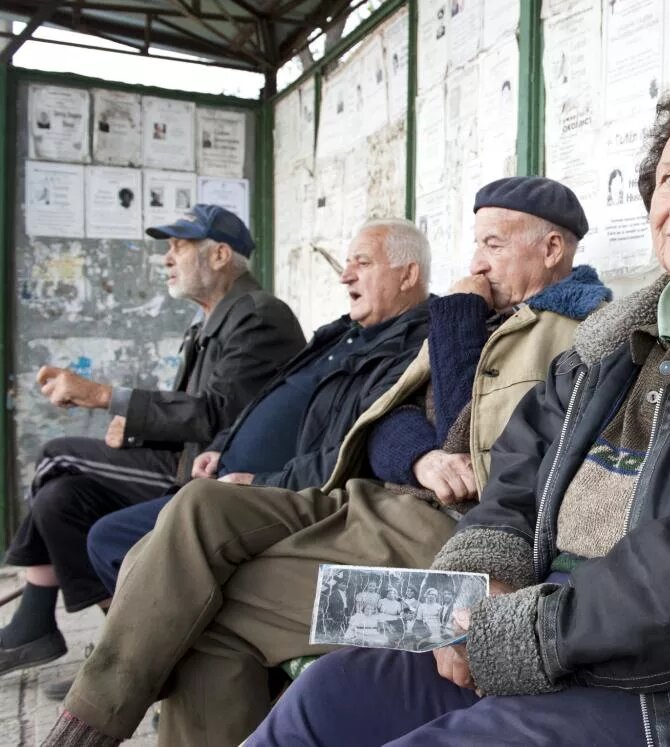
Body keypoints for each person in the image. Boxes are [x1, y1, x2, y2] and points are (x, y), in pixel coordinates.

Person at [244, 73, 670, 747]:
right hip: (548, 642)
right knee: (326, 695)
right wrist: (483, 579)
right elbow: (516, 476)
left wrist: (528, 630)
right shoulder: (609, 342)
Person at [43, 176, 611, 746]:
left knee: (201, 613)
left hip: (444, 534)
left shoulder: (575, 334)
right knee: (199, 505)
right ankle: (85, 724)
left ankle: (83, 730)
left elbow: (478, 450)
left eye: (494, 245)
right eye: (476, 244)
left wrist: (458, 321)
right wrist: (418, 456)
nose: (476, 263)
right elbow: (390, 417)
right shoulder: (487, 314)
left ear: (552, 249)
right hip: (370, 495)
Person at [0, 204, 304, 679]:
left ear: (221, 255)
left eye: (179, 246)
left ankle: (45, 626)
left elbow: (219, 416)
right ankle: (121, 654)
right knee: (60, 498)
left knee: (53, 456)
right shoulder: (209, 322)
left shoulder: (261, 315)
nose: (168, 258)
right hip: (184, 463)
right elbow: (195, 412)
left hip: (213, 480)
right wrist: (135, 428)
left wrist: (104, 397)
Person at [85, 219, 433, 597]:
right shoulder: (344, 332)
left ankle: (164, 641)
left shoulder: (409, 348)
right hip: (225, 479)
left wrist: (259, 482)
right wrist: (222, 444)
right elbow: (268, 399)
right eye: (346, 263)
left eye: (362, 264)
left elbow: (354, 450)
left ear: (408, 274)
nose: (345, 276)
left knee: (111, 539)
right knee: (92, 517)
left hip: (274, 497)